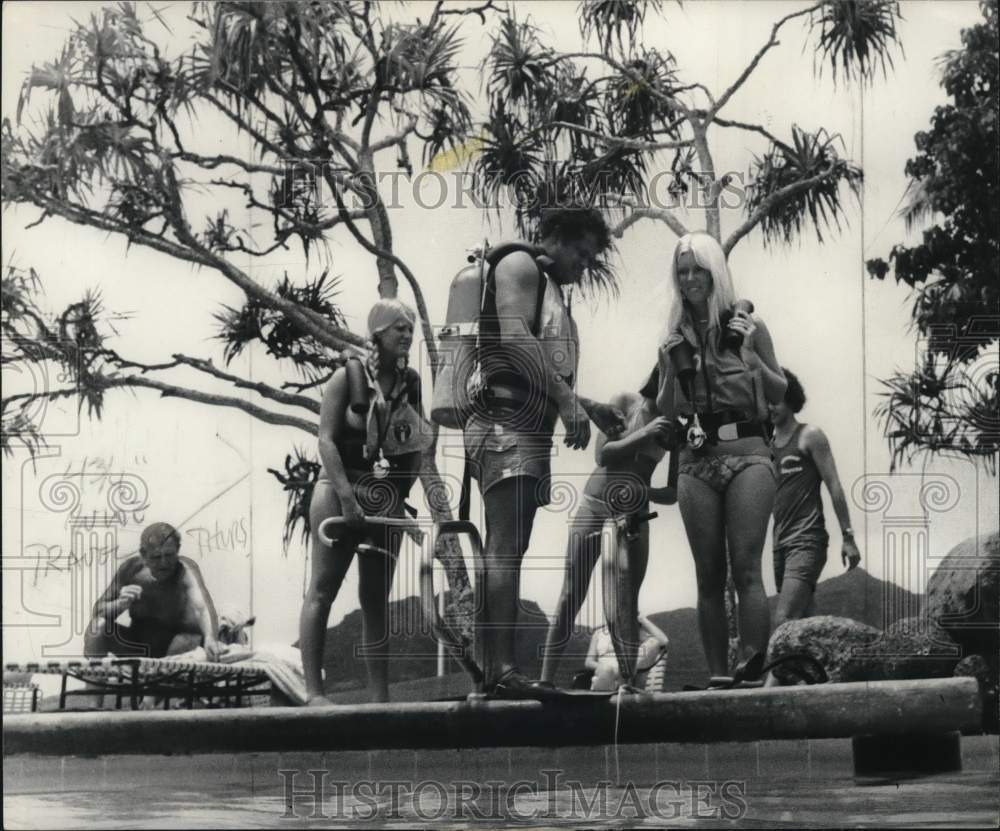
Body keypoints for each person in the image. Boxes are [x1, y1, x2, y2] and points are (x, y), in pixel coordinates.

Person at [463, 207, 627, 698]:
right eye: (580, 252)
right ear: (554, 237)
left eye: (591, 258)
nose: (584, 265)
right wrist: (567, 400)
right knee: (505, 546)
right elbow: (515, 338)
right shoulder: (519, 265)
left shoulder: (547, 284)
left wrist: (588, 405)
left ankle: (495, 670)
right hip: (504, 421)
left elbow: (537, 363)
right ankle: (499, 671)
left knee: (511, 546)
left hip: (525, 425)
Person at [652, 232, 787, 680]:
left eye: (699, 270)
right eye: (682, 272)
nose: (690, 279)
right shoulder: (674, 336)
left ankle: (753, 668)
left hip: (748, 454)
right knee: (707, 575)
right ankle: (717, 677)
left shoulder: (749, 326)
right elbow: (667, 410)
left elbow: (780, 391)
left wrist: (751, 357)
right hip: (696, 462)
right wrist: (669, 369)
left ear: (715, 273)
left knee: (746, 568)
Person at [299, 298, 431, 705]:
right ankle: (314, 693)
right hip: (339, 488)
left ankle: (379, 699)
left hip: (382, 495)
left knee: (375, 599)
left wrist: (398, 499)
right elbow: (326, 440)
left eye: (409, 329)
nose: (407, 335)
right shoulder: (347, 377)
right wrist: (347, 498)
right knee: (323, 589)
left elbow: (415, 446)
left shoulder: (409, 383)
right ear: (378, 333)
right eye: (399, 328)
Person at [540, 385, 674, 686]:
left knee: (627, 601)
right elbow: (602, 455)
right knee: (571, 593)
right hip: (596, 504)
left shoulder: (677, 422)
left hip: (634, 513)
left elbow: (673, 492)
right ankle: (545, 680)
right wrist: (646, 432)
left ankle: (627, 685)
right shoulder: (625, 402)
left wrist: (646, 491)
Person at [769, 368, 862, 629]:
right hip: (780, 544)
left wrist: (848, 537)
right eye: (765, 401)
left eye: (775, 400)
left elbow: (834, 485)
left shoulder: (809, 435)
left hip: (807, 539)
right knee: (805, 621)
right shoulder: (766, 446)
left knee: (785, 620)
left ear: (790, 399)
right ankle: (830, 655)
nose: (770, 407)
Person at [84, 522, 222, 661]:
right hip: (139, 644)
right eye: (156, 557)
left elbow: (202, 608)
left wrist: (210, 638)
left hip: (179, 643)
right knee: (97, 627)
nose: (164, 563)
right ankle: (94, 673)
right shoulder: (131, 569)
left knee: (188, 639)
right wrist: (119, 604)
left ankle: (167, 673)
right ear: (143, 554)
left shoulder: (186, 570)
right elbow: (98, 611)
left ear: (178, 549)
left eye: (169, 555)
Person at [586, 617, 669, 692]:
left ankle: (621, 678)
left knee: (654, 642)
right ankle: (615, 678)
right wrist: (605, 667)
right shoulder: (599, 633)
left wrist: (642, 619)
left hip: (624, 675)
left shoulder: (633, 632)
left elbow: (663, 641)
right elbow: (588, 662)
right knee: (607, 670)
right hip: (604, 675)